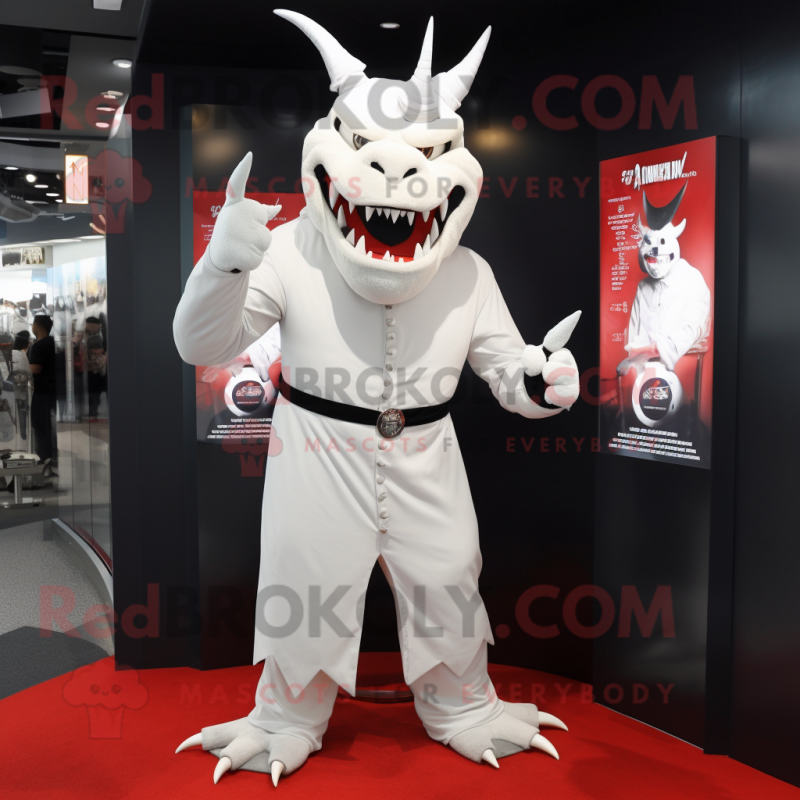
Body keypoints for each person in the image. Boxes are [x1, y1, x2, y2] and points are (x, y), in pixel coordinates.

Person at [28, 315, 57, 467]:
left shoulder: (40, 345)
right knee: (47, 424)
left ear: (36, 325)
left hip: (40, 391)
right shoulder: (51, 342)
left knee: (40, 424)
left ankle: (45, 456)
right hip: (50, 389)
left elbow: (35, 369)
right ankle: (50, 454)